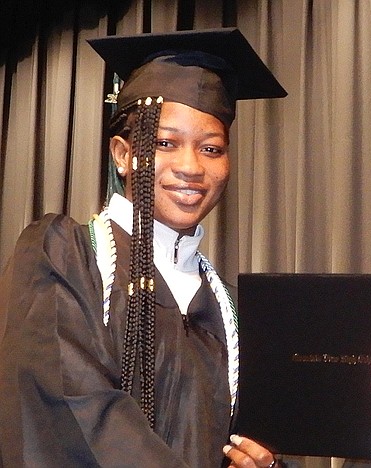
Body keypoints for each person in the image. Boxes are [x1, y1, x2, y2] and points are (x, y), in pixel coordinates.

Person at [0, 28, 286, 467]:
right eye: (166, 143)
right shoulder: (63, 255)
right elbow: (68, 407)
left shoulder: (227, 308)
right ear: (121, 153)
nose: (190, 167)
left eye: (211, 148)